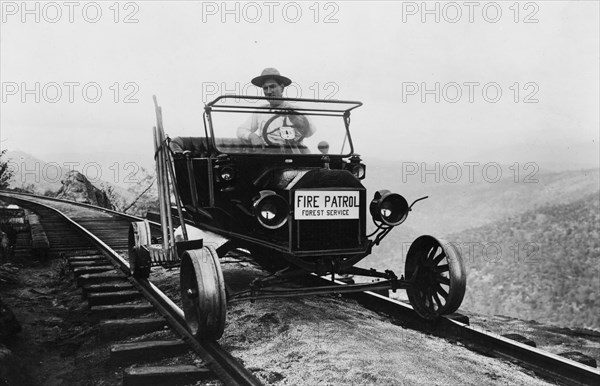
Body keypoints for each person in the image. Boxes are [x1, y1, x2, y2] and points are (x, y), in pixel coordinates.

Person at [237, 68, 315, 147]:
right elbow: (241, 130)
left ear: (282, 88)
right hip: (269, 153)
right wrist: (253, 136)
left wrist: (297, 121)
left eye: (272, 87)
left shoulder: (296, 110)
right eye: (265, 88)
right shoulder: (261, 111)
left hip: (293, 152)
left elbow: (310, 132)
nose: (269, 92)